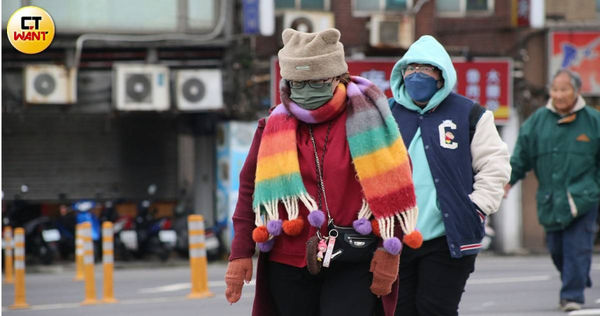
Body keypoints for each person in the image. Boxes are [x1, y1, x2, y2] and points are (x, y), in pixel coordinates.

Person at [225, 28, 423, 316]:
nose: (306, 90)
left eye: (316, 81)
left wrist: (389, 251)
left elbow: (398, 189)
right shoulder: (270, 127)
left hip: (354, 257)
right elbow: (249, 190)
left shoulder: (373, 122)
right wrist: (240, 252)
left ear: (337, 77)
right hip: (288, 259)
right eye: (297, 83)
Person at [388, 35, 511, 316]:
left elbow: (496, 165)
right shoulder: (385, 114)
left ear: (442, 75)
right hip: (395, 238)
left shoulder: (470, 114)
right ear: (401, 72)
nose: (417, 74)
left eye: (426, 68)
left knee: (436, 309)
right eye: (411, 67)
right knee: (398, 310)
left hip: (448, 238)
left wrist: (476, 208)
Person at [504, 69, 600, 312]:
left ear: (576, 91)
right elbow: (520, 157)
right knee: (557, 250)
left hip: (584, 198)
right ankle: (577, 277)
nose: (558, 95)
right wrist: (507, 182)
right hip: (549, 199)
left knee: (577, 248)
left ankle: (572, 295)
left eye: (563, 89)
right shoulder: (537, 122)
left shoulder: (593, 121)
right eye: (555, 89)